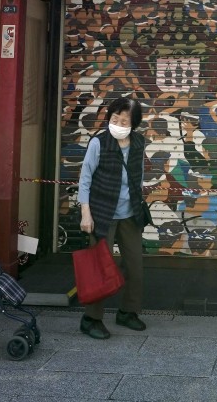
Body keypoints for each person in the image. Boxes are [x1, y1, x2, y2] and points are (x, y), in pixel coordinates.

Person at [78, 96, 150, 339]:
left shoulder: (139, 142)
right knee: (100, 267)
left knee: (135, 267)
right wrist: (85, 213)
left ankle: (128, 312)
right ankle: (91, 319)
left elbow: (138, 175)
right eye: (114, 118)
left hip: (130, 213)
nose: (118, 123)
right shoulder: (99, 142)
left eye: (124, 120)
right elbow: (85, 178)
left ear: (134, 123)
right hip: (102, 214)